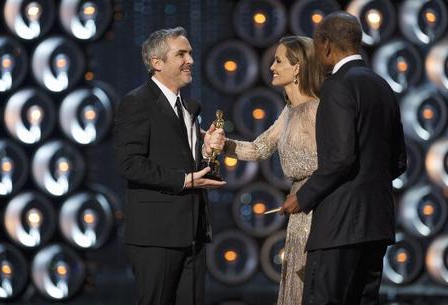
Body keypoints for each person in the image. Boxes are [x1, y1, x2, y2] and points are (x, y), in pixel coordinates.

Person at [282, 12, 407, 305]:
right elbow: (399, 161)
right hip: (377, 227)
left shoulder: (338, 85)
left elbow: (340, 157)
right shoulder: (382, 85)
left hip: (339, 229)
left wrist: (304, 196)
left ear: (325, 44)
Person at [114, 26, 226, 305]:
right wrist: (183, 180)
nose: (190, 60)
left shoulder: (188, 107)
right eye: (181, 54)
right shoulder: (137, 102)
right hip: (156, 234)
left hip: (193, 231)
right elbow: (129, 164)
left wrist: (206, 151)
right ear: (157, 63)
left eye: (190, 53)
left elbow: (183, 160)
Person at [222, 36, 324, 305]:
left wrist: (307, 196)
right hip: (297, 211)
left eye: (278, 61)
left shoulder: (318, 110)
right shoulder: (289, 111)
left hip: (319, 209)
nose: (272, 67)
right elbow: (258, 149)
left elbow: (334, 164)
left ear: (298, 67)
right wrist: (218, 143)